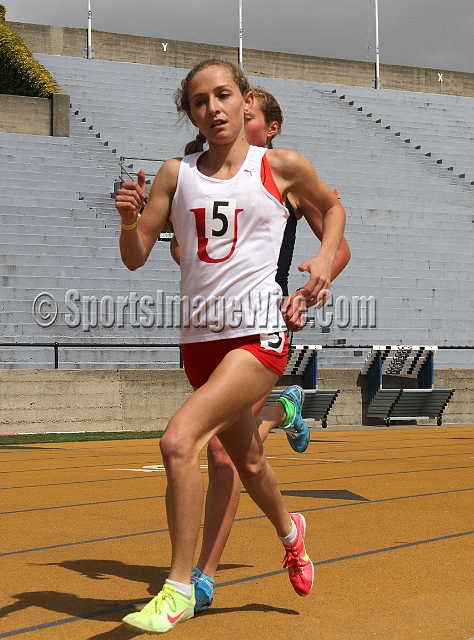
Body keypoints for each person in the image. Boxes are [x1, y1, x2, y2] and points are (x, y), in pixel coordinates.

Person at [116, 58, 346, 634]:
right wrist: (128, 221)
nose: (212, 108)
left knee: (179, 442)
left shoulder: (282, 166)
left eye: (223, 95)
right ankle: (291, 535)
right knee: (243, 458)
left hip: (260, 335)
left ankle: (178, 587)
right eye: (200, 101)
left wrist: (321, 263)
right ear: (189, 113)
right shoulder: (176, 173)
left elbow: (335, 210)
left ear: (246, 102)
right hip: (199, 343)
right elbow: (136, 255)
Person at [182, 87, 350, 613]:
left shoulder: (281, 172)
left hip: (266, 323)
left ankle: (202, 574)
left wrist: (312, 283)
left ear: (268, 127)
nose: (230, 118)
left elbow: (338, 244)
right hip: (212, 327)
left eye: (246, 115)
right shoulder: (205, 171)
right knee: (242, 450)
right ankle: (286, 412)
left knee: (216, 448)